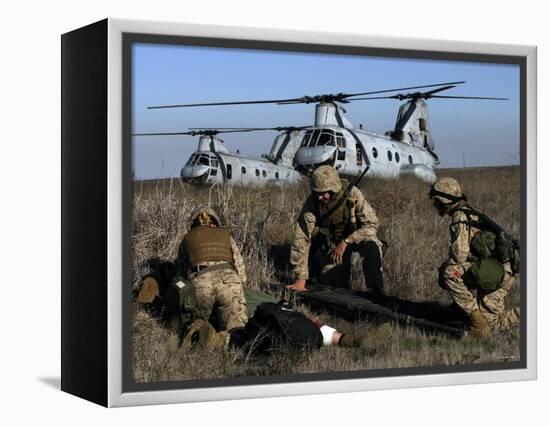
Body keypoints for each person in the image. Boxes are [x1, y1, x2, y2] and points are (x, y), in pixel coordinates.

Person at [429, 177, 519, 338]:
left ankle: (476, 322)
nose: (435, 205)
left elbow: (459, 256)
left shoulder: (460, 217)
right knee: (494, 326)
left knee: (449, 273)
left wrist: (444, 268)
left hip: (497, 272)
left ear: (445, 200)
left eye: (436, 201)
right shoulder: (469, 210)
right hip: (500, 269)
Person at [287, 165, 384, 294]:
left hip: (358, 236)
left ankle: (376, 291)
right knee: (333, 286)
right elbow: (301, 237)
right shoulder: (312, 203)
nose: (319, 197)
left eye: (323, 194)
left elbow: (372, 224)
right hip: (333, 242)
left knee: (372, 247)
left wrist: (347, 241)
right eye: (316, 193)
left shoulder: (352, 194)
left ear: (333, 189)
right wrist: (301, 277)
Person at [175, 207, 248, 340]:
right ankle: (227, 344)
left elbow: (180, 276)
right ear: (215, 221)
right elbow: (241, 270)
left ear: (194, 223)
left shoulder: (187, 239)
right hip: (229, 281)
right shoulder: (226, 236)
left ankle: (205, 339)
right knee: (237, 330)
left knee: (196, 327)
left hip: (201, 283)